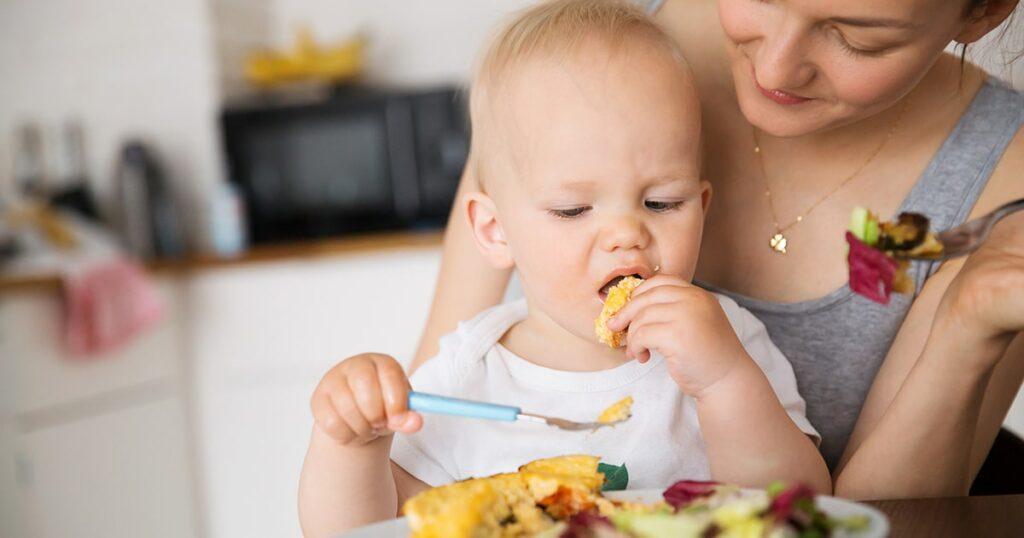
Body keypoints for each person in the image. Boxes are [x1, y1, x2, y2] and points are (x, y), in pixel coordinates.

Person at [414, 0, 1024, 501]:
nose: (778, 68)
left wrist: (967, 326)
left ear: (983, 12)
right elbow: (416, 442)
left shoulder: (1004, 180)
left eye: (859, 39)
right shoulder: (579, 56)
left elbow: (840, 517)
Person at [298, 1, 831, 535]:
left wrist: (724, 381)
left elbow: (804, 506)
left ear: (703, 206)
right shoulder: (468, 374)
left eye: (663, 203)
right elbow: (368, 527)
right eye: (574, 210)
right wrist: (351, 446)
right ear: (494, 230)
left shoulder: (726, 340)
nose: (627, 234)